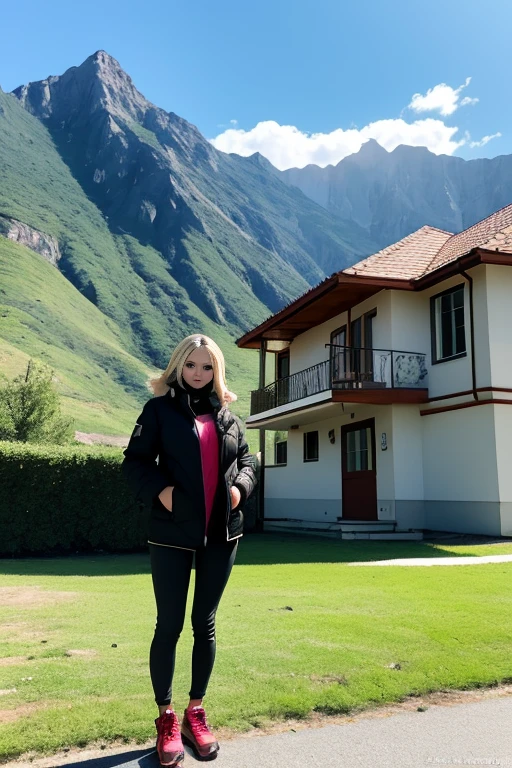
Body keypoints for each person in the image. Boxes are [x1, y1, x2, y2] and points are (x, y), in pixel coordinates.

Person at [121, 334, 257, 766]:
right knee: (169, 625)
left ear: (217, 371)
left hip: (222, 535)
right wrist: (165, 495)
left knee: (205, 623)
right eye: (192, 365)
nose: (199, 374)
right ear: (178, 366)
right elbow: (135, 462)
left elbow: (249, 462)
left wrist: (238, 491)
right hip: (170, 535)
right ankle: (166, 717)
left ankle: (196, 712)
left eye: (208, 367)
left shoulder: (229, 417)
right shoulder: (158, 411)